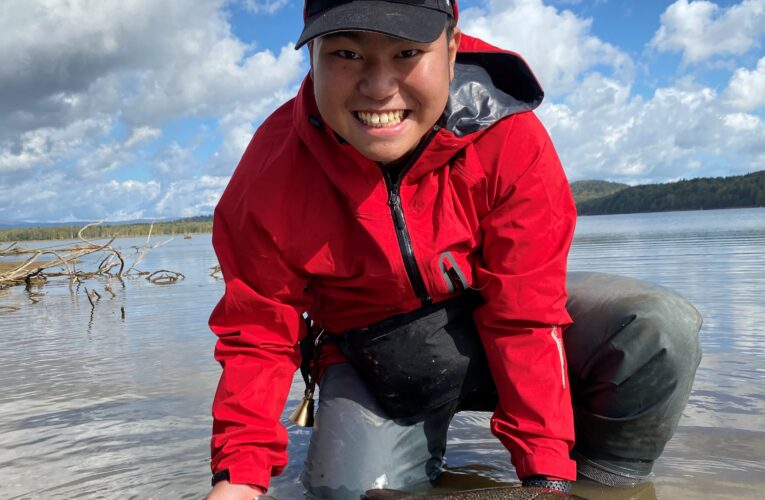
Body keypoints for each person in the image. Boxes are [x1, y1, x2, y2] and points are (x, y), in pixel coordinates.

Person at [205, 1, 703, 499]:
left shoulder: (510, 135)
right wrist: (239, 478)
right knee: (346, 494)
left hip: (504, 318)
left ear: (451, 48)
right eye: (347, 53)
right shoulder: (272, 170)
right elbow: (258, 335)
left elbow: (525, 318)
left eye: (406, 52)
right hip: (375, 359)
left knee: (658, 329)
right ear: (311, 55)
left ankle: (603, 486)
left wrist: (546, 479)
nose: (379, 88)